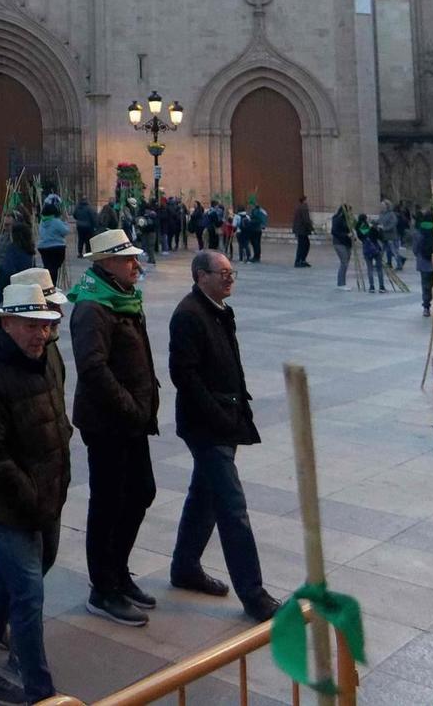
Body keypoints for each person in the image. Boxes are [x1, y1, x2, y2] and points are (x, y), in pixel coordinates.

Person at [0, 274, 72, 705]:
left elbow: (56, 418)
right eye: (32, 325)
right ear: (7, 324)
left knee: (10, 580)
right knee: (27, 591)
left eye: (46, 324)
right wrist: (31, 495)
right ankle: (42, 693)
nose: (42, 333)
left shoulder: (44, 355)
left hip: (45, 490)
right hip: (8, 500)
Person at [167, 251, 280, 621]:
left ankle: (184, 567)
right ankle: (254, 594)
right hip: (206, 426)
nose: (230, 278)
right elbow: (184, 376)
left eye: (232, 272)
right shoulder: (188, 314)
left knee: (204, 497)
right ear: (201, 276)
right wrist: (218, 416)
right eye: (223, 273)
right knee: (233, 508)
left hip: (225, 419)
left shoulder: (217, 309)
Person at [69, 228, 160, 626]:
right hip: (109, 422)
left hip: (132, 419)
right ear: (105, 263)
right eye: (127, 259)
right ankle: (102, 587)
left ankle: (118, 571)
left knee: (141, 492)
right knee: (108, 502)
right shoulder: (92, 308)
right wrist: (128, 405)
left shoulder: (122, 299)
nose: (135, 265)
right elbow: (92, 368)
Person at [35, 196, 68, 281]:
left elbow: (41, 232)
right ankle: (52, 283)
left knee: (48, 267)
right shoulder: (56, 221)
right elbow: (65, 231)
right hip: (57, 246)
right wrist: (65, 223)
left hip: (43, 247)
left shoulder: (42, 222)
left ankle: (48, 282)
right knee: (55, 267)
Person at [290, 196, 313, 267]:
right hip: (302, 230)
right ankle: (299, 261)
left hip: (299, 230)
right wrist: (311, 227)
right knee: (303, 245)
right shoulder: (304, 207)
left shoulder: (299, 207)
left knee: (305, 244)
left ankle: (302, 260)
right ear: (304, 200)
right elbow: (306, 220)